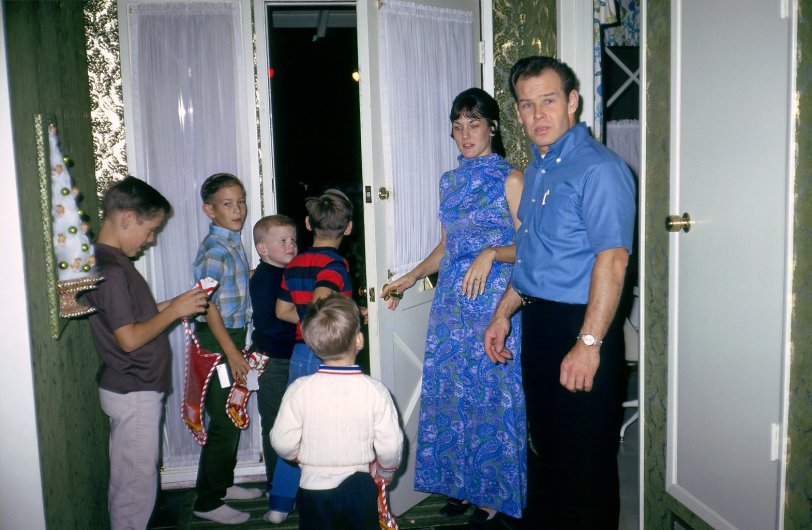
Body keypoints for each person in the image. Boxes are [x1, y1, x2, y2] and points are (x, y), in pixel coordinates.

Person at [483, 56, 636, 529]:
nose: (537, 115)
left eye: (548, 101)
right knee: (549, 449)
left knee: (585, 462)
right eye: (527, 105)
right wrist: (504, 311)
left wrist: (588, 344)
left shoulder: (601, 170)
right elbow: (533, 255)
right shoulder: (540, 169)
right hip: (542, 324)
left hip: (583, 324)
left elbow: (612, 260)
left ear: (572, 102)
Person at [381, 87, 526, 528]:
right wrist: (408, 277)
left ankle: (497, 500)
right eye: (458, 127)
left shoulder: (512, 179)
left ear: (493, 127)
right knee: (452, 396)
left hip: (497, 301)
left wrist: (491, 253)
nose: (465, 134)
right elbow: (447, 249)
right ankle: (464, 487)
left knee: (492, 397)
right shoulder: (449, 181)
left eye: (474, 124)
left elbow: (530, 248)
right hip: (452, 304)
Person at [85, 176, 210, 530]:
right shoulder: (110, 270)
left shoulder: (110, 261)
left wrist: (178, 304)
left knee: (131, 481)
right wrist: (173, 312)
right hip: (134, 388)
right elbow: (129, 337)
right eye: (150, 229)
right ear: (126, 219)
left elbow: (135, 316)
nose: (150, 239)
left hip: (131, 386)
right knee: (135, 492)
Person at [271, 293, 403, 530]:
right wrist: (385, 471)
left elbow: (281, 440)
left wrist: (297, 455)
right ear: (359, 340)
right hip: (359, 486)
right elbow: (390, 444)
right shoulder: (375, 390)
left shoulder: (299, 389)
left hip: (312, 488)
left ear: (312, 344)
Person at [265, 188, 356, 523]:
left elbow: (282, 310)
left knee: (298, 425)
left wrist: (308, 321)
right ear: (347, 228)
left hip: (300, 352)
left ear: (307, 223)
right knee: (331, 427)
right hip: (326, 354)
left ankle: (279, 504)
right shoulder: (334, 262)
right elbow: (321, 301)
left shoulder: (297, 262)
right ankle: (330, 496)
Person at [192, 173, 261, 525]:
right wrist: (233, 354)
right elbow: (208, 306)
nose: (238, 210)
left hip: (233, 336)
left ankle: (223, 483)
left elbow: (232, 286)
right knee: (223, 420)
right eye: (227, 204)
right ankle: (206, 501)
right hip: (219, 341)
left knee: (233, 414)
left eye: (241, 201)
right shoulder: (215, 251)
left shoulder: (233, 242)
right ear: (209, 210)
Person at [248, 214, 298, 521]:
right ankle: (274, 484)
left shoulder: (287, 271)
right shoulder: (266, 278)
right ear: (263, 249)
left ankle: (291, 484)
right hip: (273, 360)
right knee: (276, 424)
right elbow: (273, 322)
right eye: (283, 241)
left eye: (293, 239)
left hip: (291, 356)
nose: (291, 245)